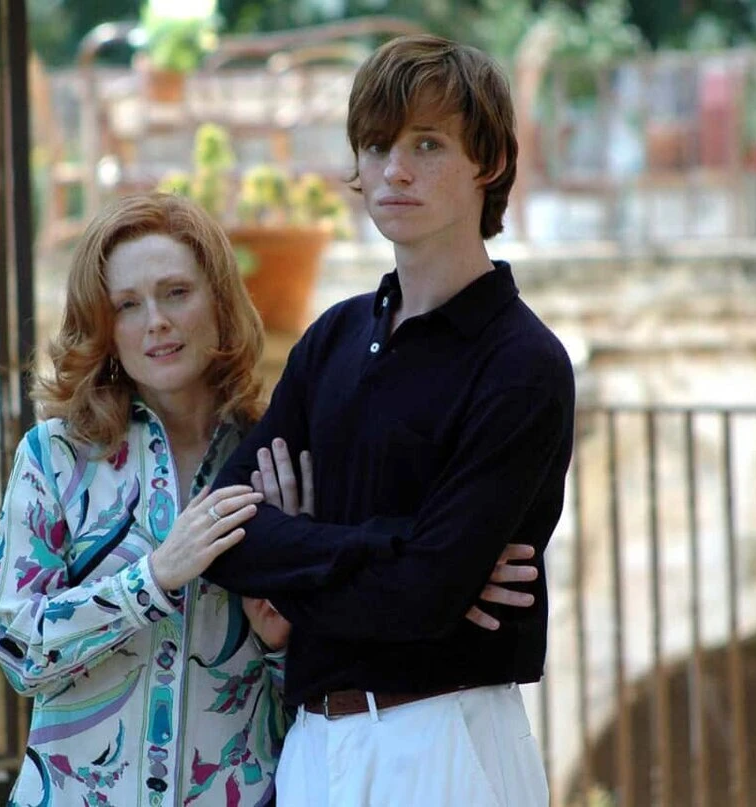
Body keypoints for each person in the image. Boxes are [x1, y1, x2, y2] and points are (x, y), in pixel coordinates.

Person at [0, 192, 534, 807]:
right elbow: (18, 650)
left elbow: (330, 674)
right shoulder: (55, 457)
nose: (156, 321)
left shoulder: (278, 451)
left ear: (219, 302)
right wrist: (154, 578)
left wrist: (284, 643)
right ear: (104, 327)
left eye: (176, 293)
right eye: (127, 305)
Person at [202, 35, 576, 807]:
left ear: (489, 162)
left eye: (427, 145)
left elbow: (423, 597)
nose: (394, 170)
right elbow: (225, 536)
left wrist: (299, 555)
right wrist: (399, 550)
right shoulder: (331, 338)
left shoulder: (522, 362)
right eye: (376, 146)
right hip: (313, 745)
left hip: (443, 739)